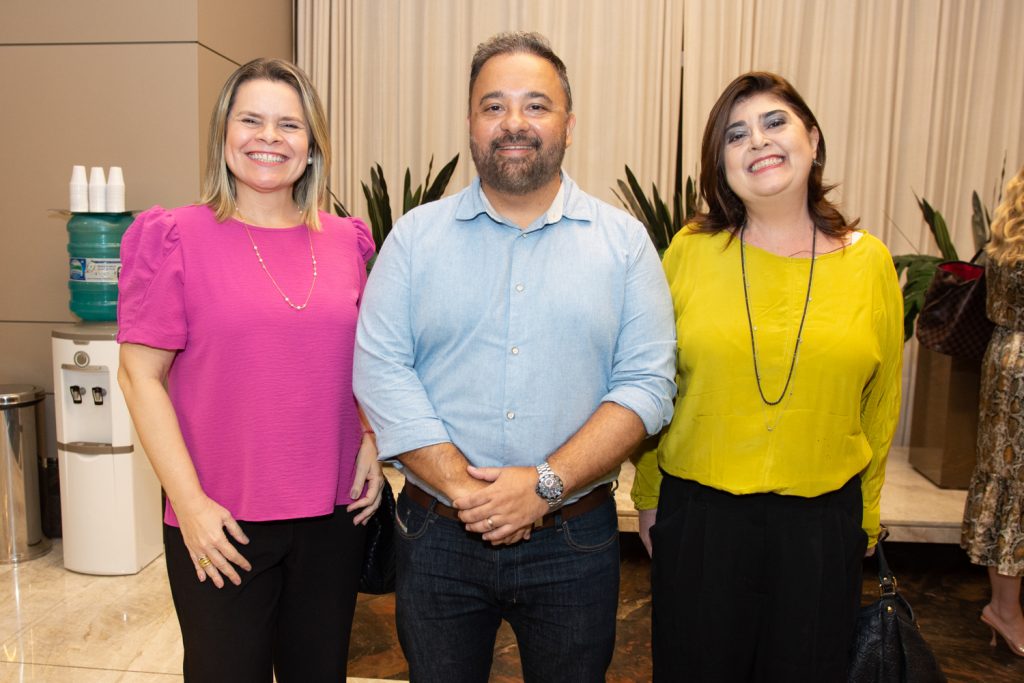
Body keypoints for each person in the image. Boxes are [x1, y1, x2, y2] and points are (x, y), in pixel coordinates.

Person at [353, 31, 676, 682]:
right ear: (471, 123)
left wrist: (544, 484)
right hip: (437, 534)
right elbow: (380, 368)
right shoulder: (415, 239)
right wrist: (463, 489)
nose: (514, 124)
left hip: (574, 539)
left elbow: (647, 383)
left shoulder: (624, 245)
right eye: (493, 106)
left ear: (569, 123)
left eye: (535, 104)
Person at [117, 57, 383, 682]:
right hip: (221, 521)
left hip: (332, 516)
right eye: (251, 120)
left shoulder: (347, 241)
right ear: (223, 133)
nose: (269, 138)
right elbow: (138, 376)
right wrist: (191, 505)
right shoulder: (175, 236)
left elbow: (366, 357)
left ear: (312, 144)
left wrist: (373, 437)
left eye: (289, 125)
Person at [631, 71, 904, 681]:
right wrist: (649, 498)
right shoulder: (689, 252)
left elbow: (881, 402)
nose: (757, 140)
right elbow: (653, 383)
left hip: (821, 527)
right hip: (701, 521)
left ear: (811, 137)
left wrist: (867, 511)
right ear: (720, 163)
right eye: (736, 134)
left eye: (774, 122)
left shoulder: (871, 263)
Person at [961, 164, 1024, 658]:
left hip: (1004, 360)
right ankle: (1006, 611)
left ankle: (1005, 607)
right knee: (1015, 490)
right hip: (1020, 374)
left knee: (1005, 483)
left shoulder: (1004, 240)